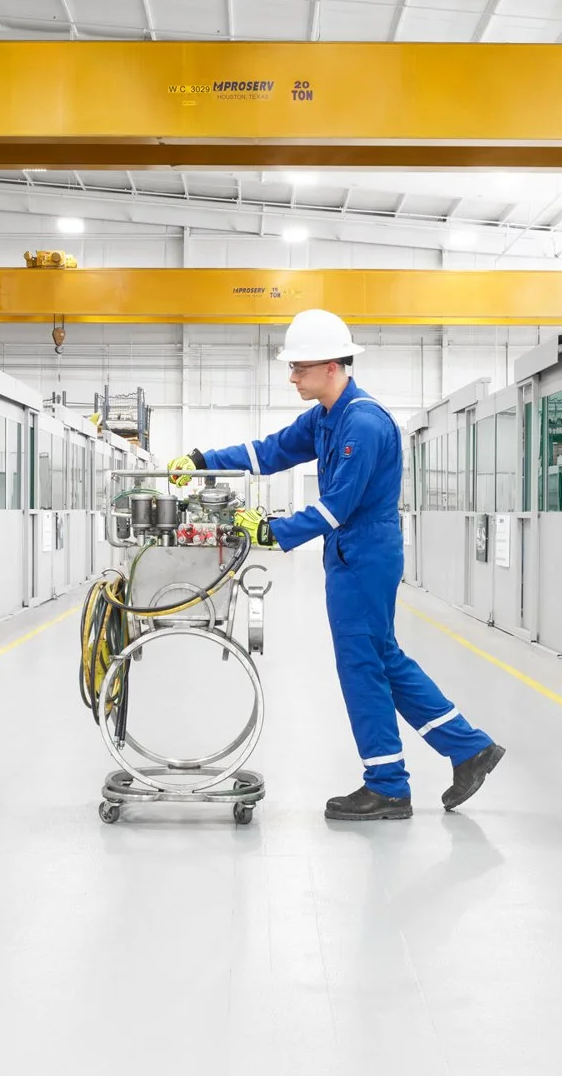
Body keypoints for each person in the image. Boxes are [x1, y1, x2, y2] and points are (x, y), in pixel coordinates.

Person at [177, 308, 504, 821]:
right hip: (353, 554)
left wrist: (272, 531)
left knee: (361, 665)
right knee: (383, 659)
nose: (292, 377)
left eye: (299, 368)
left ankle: (389, 786)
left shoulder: (364, 423)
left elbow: (337, 506)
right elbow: (273, 450)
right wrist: (202, 461)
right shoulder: (328, 416)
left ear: (332, 367)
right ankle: (468, 749)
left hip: (365, 554)